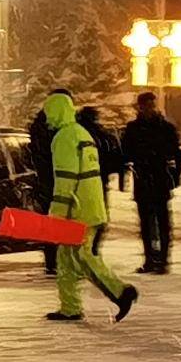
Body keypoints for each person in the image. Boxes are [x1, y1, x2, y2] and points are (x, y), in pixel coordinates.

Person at [28, 85, 138, 323]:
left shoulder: (64, 138)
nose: (47, 116)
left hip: (77, 210)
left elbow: (66, 178)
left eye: (49, 111)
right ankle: (70, 307)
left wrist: (57, 213)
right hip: (90, 205)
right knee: (66, 258)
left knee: (82, 256)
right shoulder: (81, 133)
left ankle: (121, 292)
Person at [116, 88, 181, 274]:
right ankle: (149, 259)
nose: (148, 108)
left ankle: (162, 260)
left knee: (162, 221)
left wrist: (177, 177)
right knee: (146, 222)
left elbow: (178, 154)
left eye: (150, 105)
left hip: (160, 178)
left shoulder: (165, 127)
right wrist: (124, 178)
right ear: (139, 107)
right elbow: (125, 154)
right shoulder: (133, 129)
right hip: (143, 178)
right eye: (145, 105)